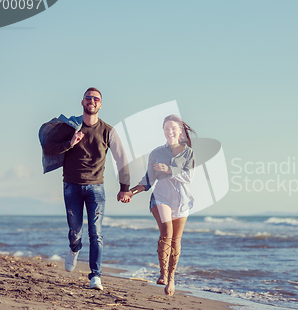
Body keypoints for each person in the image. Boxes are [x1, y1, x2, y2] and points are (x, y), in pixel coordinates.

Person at [43, 87, 130, 290]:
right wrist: (70, 142)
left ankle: (96, 276)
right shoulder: (70, 128)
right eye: (88, 98)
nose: (92, 101)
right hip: (71, 186)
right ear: (82, 102)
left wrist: (124, 187)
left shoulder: (108, 131)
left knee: (96, 232)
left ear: (100, 105)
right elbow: (48, 147)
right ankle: (74, 248)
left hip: (96, 189)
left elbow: (121, 160)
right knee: (75, 231)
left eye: (96, 99)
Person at [126, 114, 195, 295]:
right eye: (166, 129)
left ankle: (171, 279)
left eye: (173, 128)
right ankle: (163, 273)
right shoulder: (156, 153)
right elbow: (148, 180)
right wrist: (131, 192)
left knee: (176, 241)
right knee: (167, 233)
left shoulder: (188, 153)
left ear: (180, 131)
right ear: (163, 131)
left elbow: (189, 177)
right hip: (161, 197)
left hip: (181, 200)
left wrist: (169, 169)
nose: (170, 131)